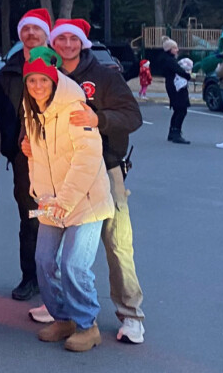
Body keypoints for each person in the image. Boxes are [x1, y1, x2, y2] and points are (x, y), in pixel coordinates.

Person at [46, 18, 146, 344]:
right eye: (60, 39)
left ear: (83, 43)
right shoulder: (49, 78)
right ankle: (68, 312)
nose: (67, 45)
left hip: (107, 168)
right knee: (60, 250)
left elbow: (133, 117)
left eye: (73, 39)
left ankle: (131, 315)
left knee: (117, 245)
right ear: (53, 43)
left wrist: (99, 118)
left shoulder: (105, 76)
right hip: (65, 175)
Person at [20, 47, 113, 352]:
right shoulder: (33, 112)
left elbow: (88, 158)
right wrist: (39, 191)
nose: (37, 86)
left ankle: (87, 325)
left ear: (54, 81)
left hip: (85, 202)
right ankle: (63, 318)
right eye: (31, 81)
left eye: (42, 81)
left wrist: (66, 200)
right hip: (52, 201)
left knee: (74, 264)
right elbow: (37, 157)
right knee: (44, 260)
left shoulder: (74, 108)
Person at [0, 8, 52, 301]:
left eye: (36, 29)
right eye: (25, 29)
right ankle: (30, 277)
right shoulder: (9, 71)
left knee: (57, 217)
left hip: (57, 155)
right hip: (23, 157)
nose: (30, 34)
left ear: (46, 34)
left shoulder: (58, 66)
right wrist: (9, 144)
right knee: (30, 217)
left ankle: (55, 279)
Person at [161, 37, 191, 145]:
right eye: (175, 48)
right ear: (169, 49)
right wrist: (188, 76)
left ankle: (172, 131)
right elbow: (179, 70)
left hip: (171, 86)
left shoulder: (167, 59)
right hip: (176, 87)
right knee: (181, 110)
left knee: (177, 110)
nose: (177, 50)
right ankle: (176, 133)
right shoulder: (170, 60)